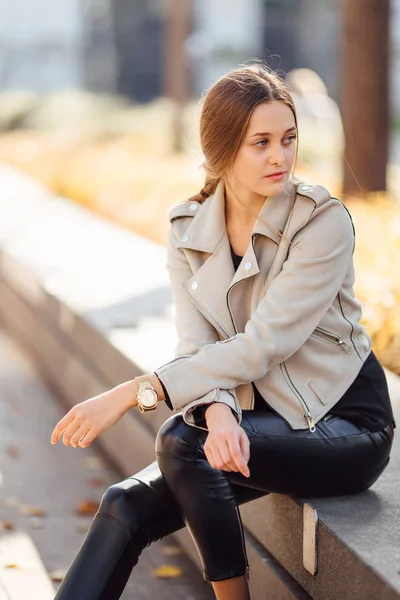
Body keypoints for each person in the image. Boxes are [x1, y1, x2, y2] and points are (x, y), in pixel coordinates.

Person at [50, 63, 396, 600]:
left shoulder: (321, 222)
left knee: (181, 442)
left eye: (288, 139)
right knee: (125, 502)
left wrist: (134, 393)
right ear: (222, 149)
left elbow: (263, 344)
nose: (279, 157)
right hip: (260, 412)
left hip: (344, 422)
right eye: (260, 143)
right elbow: (199, 345)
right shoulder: (187, 228)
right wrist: (220, 411)